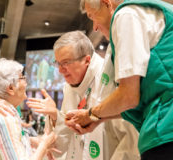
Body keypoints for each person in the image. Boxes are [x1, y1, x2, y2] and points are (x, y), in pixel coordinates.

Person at [65, 0, 173, 160]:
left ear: (106, 3)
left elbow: (128, 96)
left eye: (92, 17)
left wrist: (91, 114)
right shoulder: (163, 13)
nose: (95, 27)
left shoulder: (126, 14)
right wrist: (97, 118)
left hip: (167, 131)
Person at [27, 31, 140, 160]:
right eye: (58, 63)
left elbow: (130, 139)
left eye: (65, 63)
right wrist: (55, 116)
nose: (60, 70)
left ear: (86, 60)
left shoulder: (109, 78)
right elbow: (64, 139)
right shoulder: (69, 88)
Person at [0, 58, 56, 160]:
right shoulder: (5, 116)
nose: (26, 82)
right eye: (22, 77)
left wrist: (29, 140)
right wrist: (44, 145)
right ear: (11, 88)